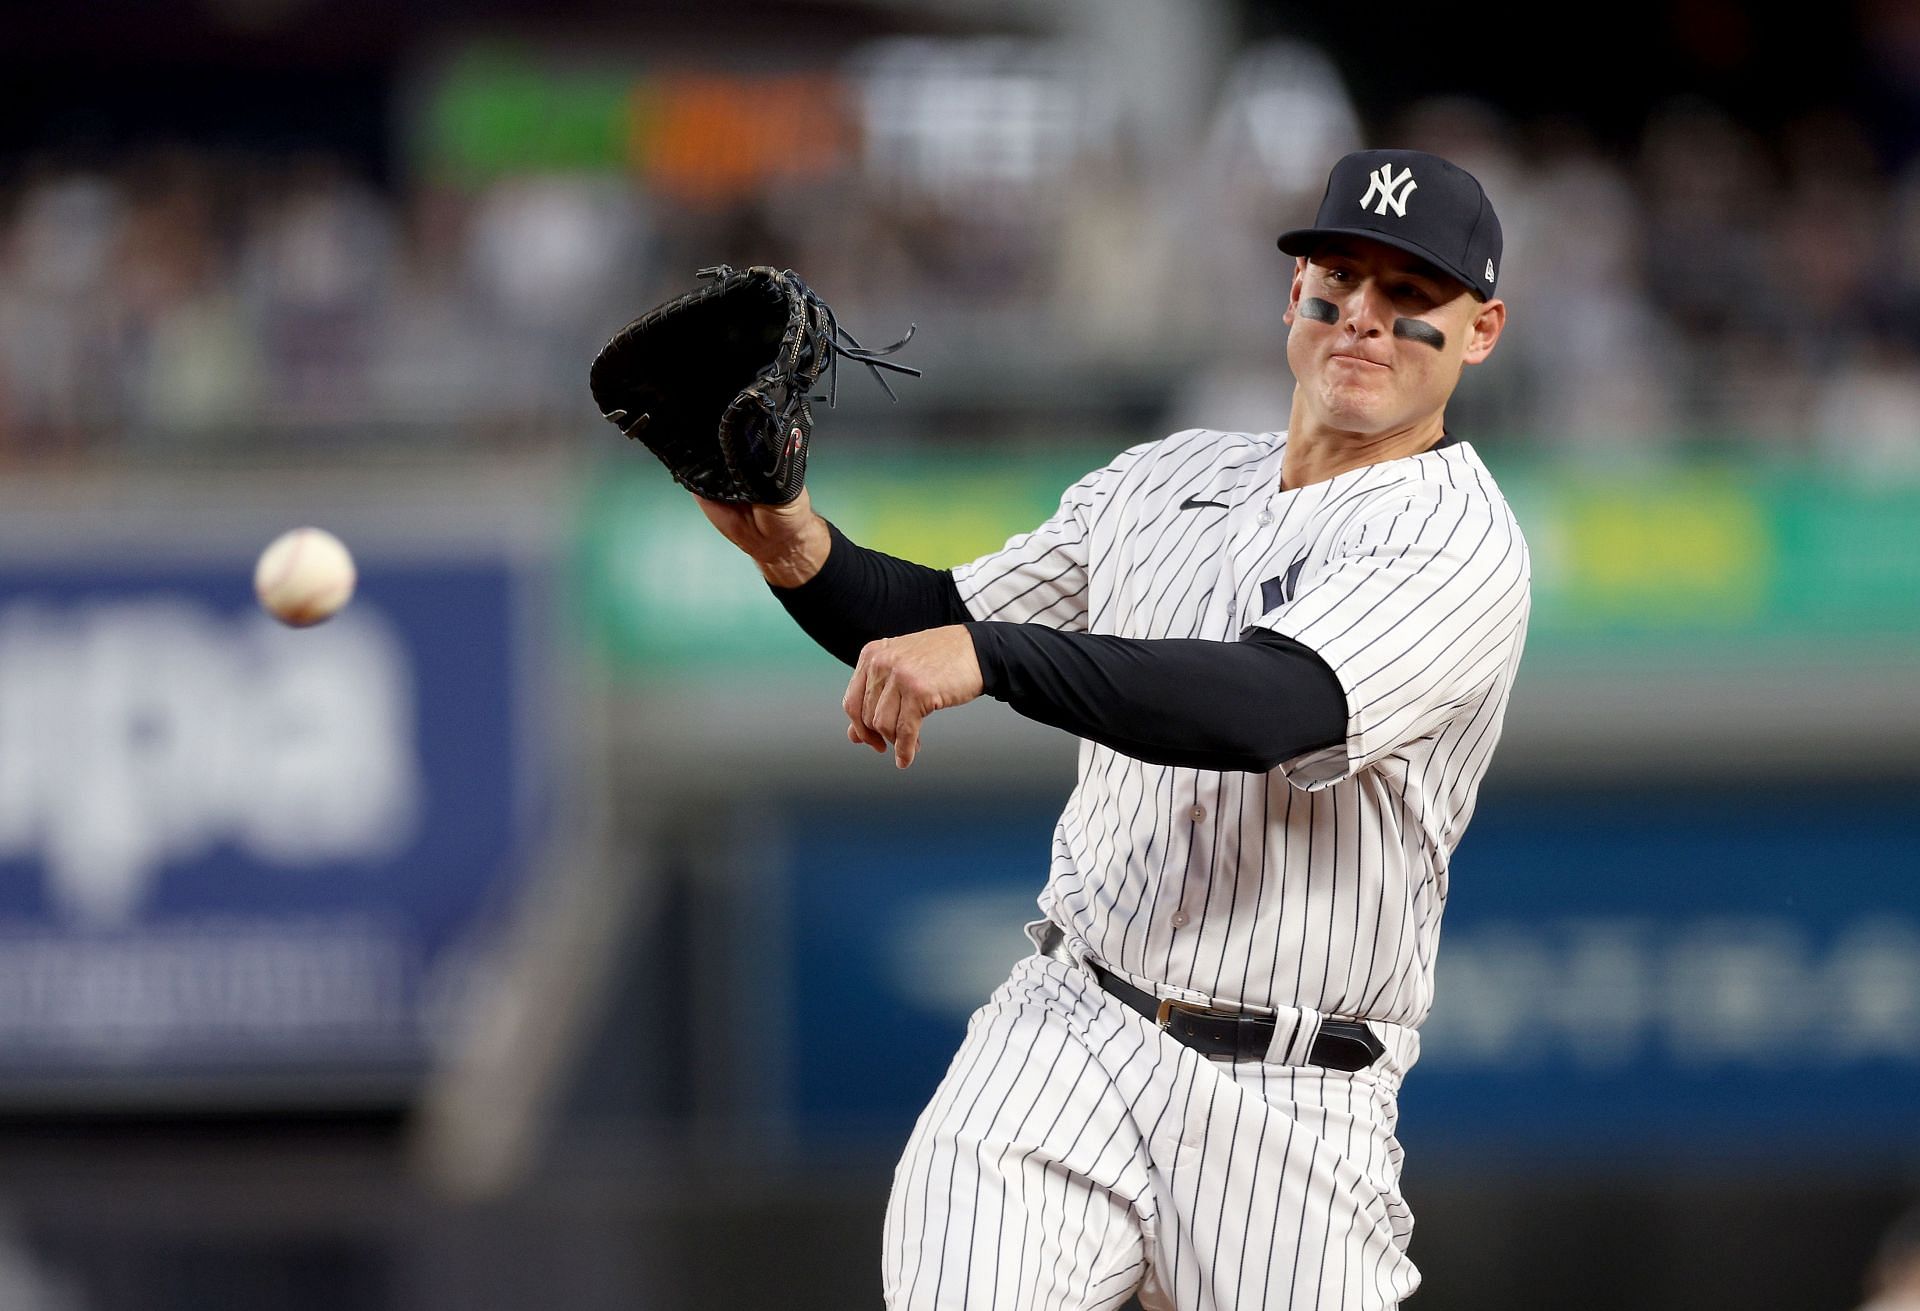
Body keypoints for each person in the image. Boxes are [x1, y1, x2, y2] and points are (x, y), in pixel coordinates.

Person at [697, 148, 1526, 1310]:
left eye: (1411, 297)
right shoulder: (1167, 480)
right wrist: (787, 538)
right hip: (1068, 1025)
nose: (1366, 320)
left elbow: (1269, 705)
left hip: (1291, 1099)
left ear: (1480, 329)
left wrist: (991, 658)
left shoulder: (1457, 539)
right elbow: (939, 622)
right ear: (1295, 296)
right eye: (1341, 279)